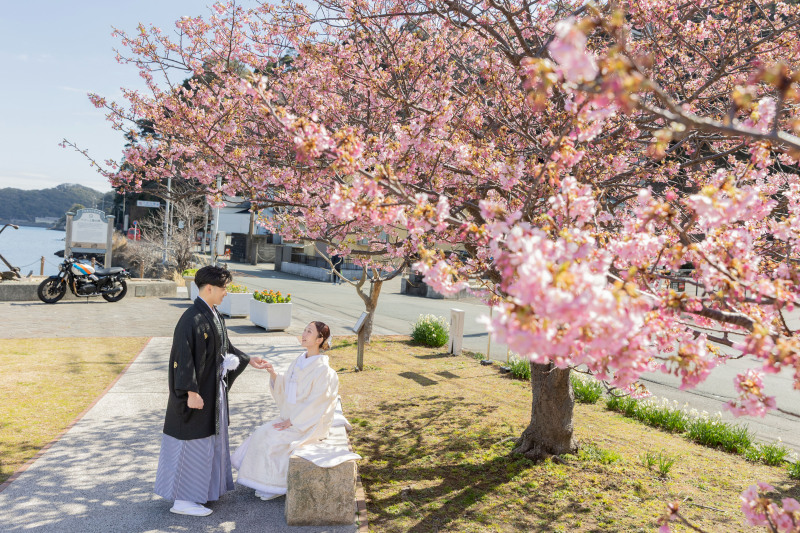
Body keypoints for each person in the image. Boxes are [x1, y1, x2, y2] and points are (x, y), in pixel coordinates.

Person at [154, 265, 270, 516]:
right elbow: (181, 358)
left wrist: (249, 359)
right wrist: (190, 392)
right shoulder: (191, 319)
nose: (226, 292)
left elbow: (225, 347)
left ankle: (202, 493)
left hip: (211, 390)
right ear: (209, 288)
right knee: (191, 443)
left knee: (207, 441)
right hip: (197, 394)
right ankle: (183, 501)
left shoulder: (213, 314)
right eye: (223, 288)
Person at [231, 321, 339, 500]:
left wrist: (294, 420)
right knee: (261, 433)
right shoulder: (299, 360)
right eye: (305, 330)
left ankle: (273, 485)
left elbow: (318, 402)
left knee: (274, 439)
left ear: (320, 339)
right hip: (293, 417)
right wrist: (274, 374)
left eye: (309, 332)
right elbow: (288, 384)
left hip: (308, 422)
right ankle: (261, 480)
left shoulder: (324, 371)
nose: (304, 334)